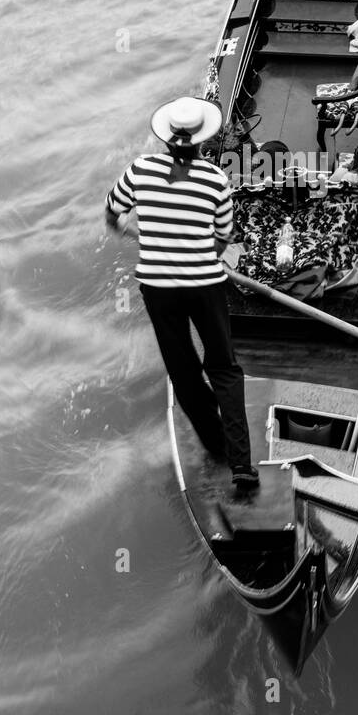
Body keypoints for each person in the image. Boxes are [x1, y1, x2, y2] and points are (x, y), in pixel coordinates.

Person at [105, 96, 258, 491]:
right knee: (224, 368)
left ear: (167, 139)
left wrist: (133, 232)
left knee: (184, 372)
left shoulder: (140, 169)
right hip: (204, 284)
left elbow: (113, 210)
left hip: (158, 288)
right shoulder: (215, 180)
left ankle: (217, 446)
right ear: (202, 142)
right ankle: (241, 463)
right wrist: (205, 254)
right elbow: (224, 237)